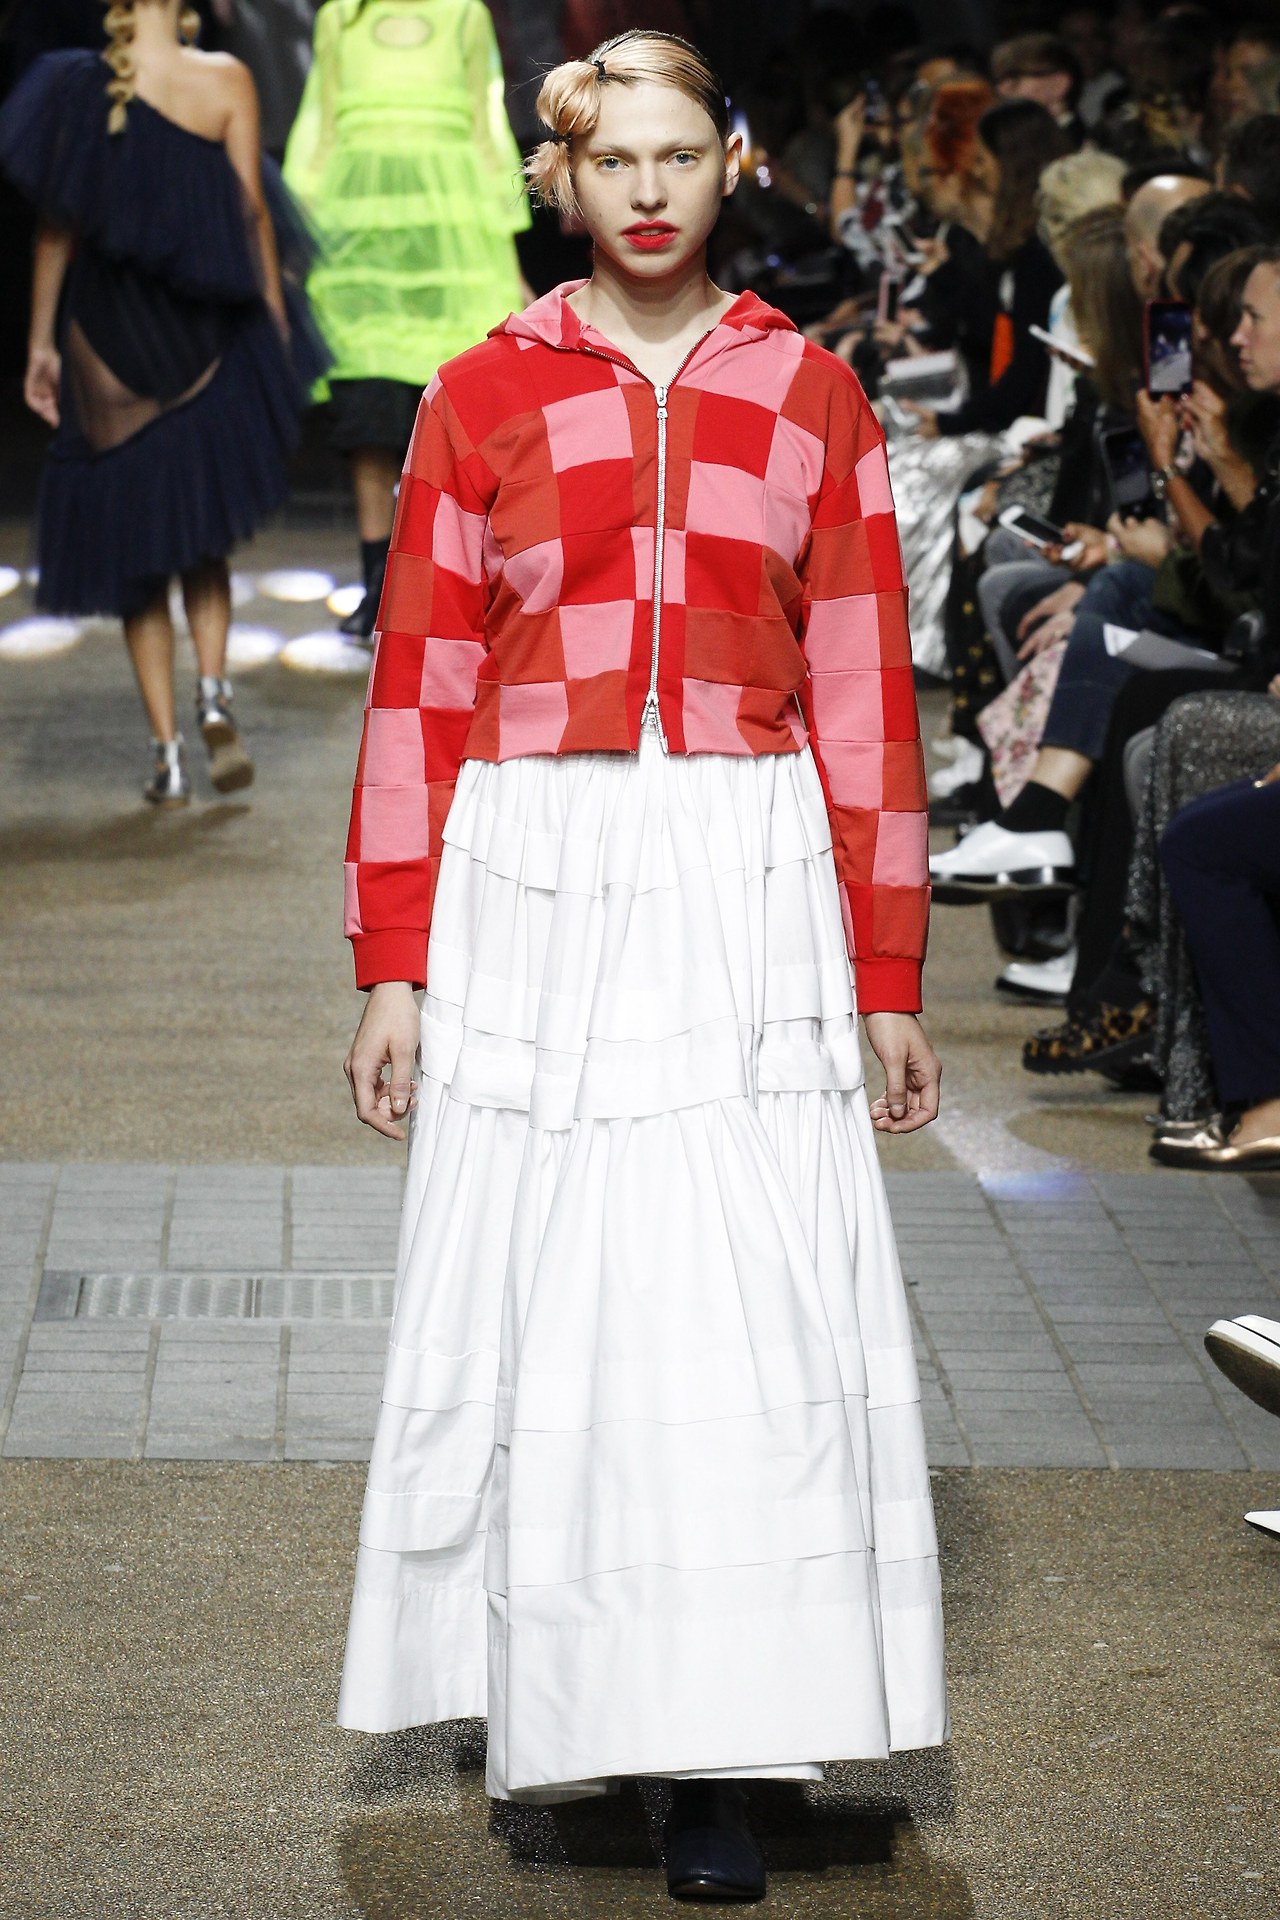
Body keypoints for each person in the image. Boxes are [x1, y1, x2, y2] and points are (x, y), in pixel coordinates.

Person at [337, 29, 947, 1903]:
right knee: (556, 1291)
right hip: (537, 868)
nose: (653, 189)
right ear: (565, 180)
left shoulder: (813, 393)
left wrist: (888, 967)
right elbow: (420, 684)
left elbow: (863, 691)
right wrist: (391, 960)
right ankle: (561, 1681)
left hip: (740, 872)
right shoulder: (480, 394)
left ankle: (715, 1752)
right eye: (618, 161)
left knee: (734, 1311)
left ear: (732, 164)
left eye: (682, 154)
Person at [0, 0, 325, 804]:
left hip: (105, 340)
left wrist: (40, 344)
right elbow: (251, 212)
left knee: (137, 551)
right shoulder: (224, 79)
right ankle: (213, 694)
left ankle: (166, 758)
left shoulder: (77, 88)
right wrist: (275, 321)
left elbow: (56, 232)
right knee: (201, 532)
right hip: (197, 333)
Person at [283, 0, 533, 638]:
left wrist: (505, 252)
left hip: (450, 255)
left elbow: (485, 128)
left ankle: (452, 586)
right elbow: (318, 127)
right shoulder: (340, 17)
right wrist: (296, 241)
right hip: (360, 251)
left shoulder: (463, 15)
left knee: (459, 426)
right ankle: (378, 586)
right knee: (367, 422)